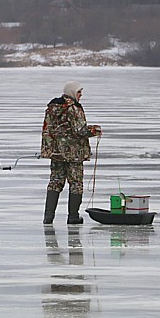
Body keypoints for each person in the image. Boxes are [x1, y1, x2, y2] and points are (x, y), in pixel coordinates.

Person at [41, 81, 101, 224]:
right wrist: (95, 130)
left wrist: (48, 149)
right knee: (76, 184)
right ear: (72, 92)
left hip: (56, 153)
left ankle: (48, 217)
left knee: (55, 183)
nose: (81, 95)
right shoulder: (74, 108)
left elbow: (46, 130)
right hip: (74, 154)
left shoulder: (52, 108)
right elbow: (80, 130)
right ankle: (73, 217)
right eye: (79, 92)